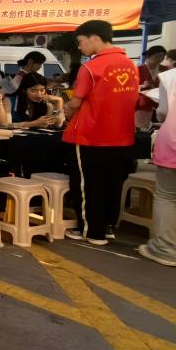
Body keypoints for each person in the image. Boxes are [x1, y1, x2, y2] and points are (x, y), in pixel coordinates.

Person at [63, 20, 139, 246]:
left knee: (88, 185)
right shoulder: (130, 65)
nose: (79, 47)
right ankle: (107, 227)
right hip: (123, 135)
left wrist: (66, 107)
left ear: (94, 37)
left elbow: (76, 102)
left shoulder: (91, 67)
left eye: (80, 41)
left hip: (90, 135)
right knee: (113, 182)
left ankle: (92, 232)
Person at [138, 62, 176, 266]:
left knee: (168, 197)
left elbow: (162, 113)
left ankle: (165, 249)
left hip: (175, 145)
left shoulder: (172, 76)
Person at [135, 45, 166, 130]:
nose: (159, 59)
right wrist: (142, 86)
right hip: (143, 105)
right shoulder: (138, 69)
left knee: (159, 128)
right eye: (157, 57)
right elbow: (131, 87)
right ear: (148, 56)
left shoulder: (165, 69)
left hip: (160, 104)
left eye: (162, 57)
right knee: (142, 129)